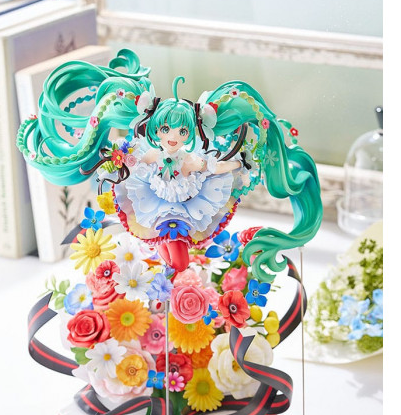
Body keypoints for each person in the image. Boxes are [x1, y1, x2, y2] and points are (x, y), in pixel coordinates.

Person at [17, 49, 322, 281]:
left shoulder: (189, 159)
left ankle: (168, 282)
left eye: (182, 131)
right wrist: (112, 157)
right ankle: (166, 283)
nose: (172, 137)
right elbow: (130, 158)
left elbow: (213, 167)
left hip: (187, 208)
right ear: (155, 130)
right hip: (154, 202)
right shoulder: (151, 154)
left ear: (191, 133)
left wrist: (240, 164)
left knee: (178, 259)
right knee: (169, 255)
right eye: (165, 130)